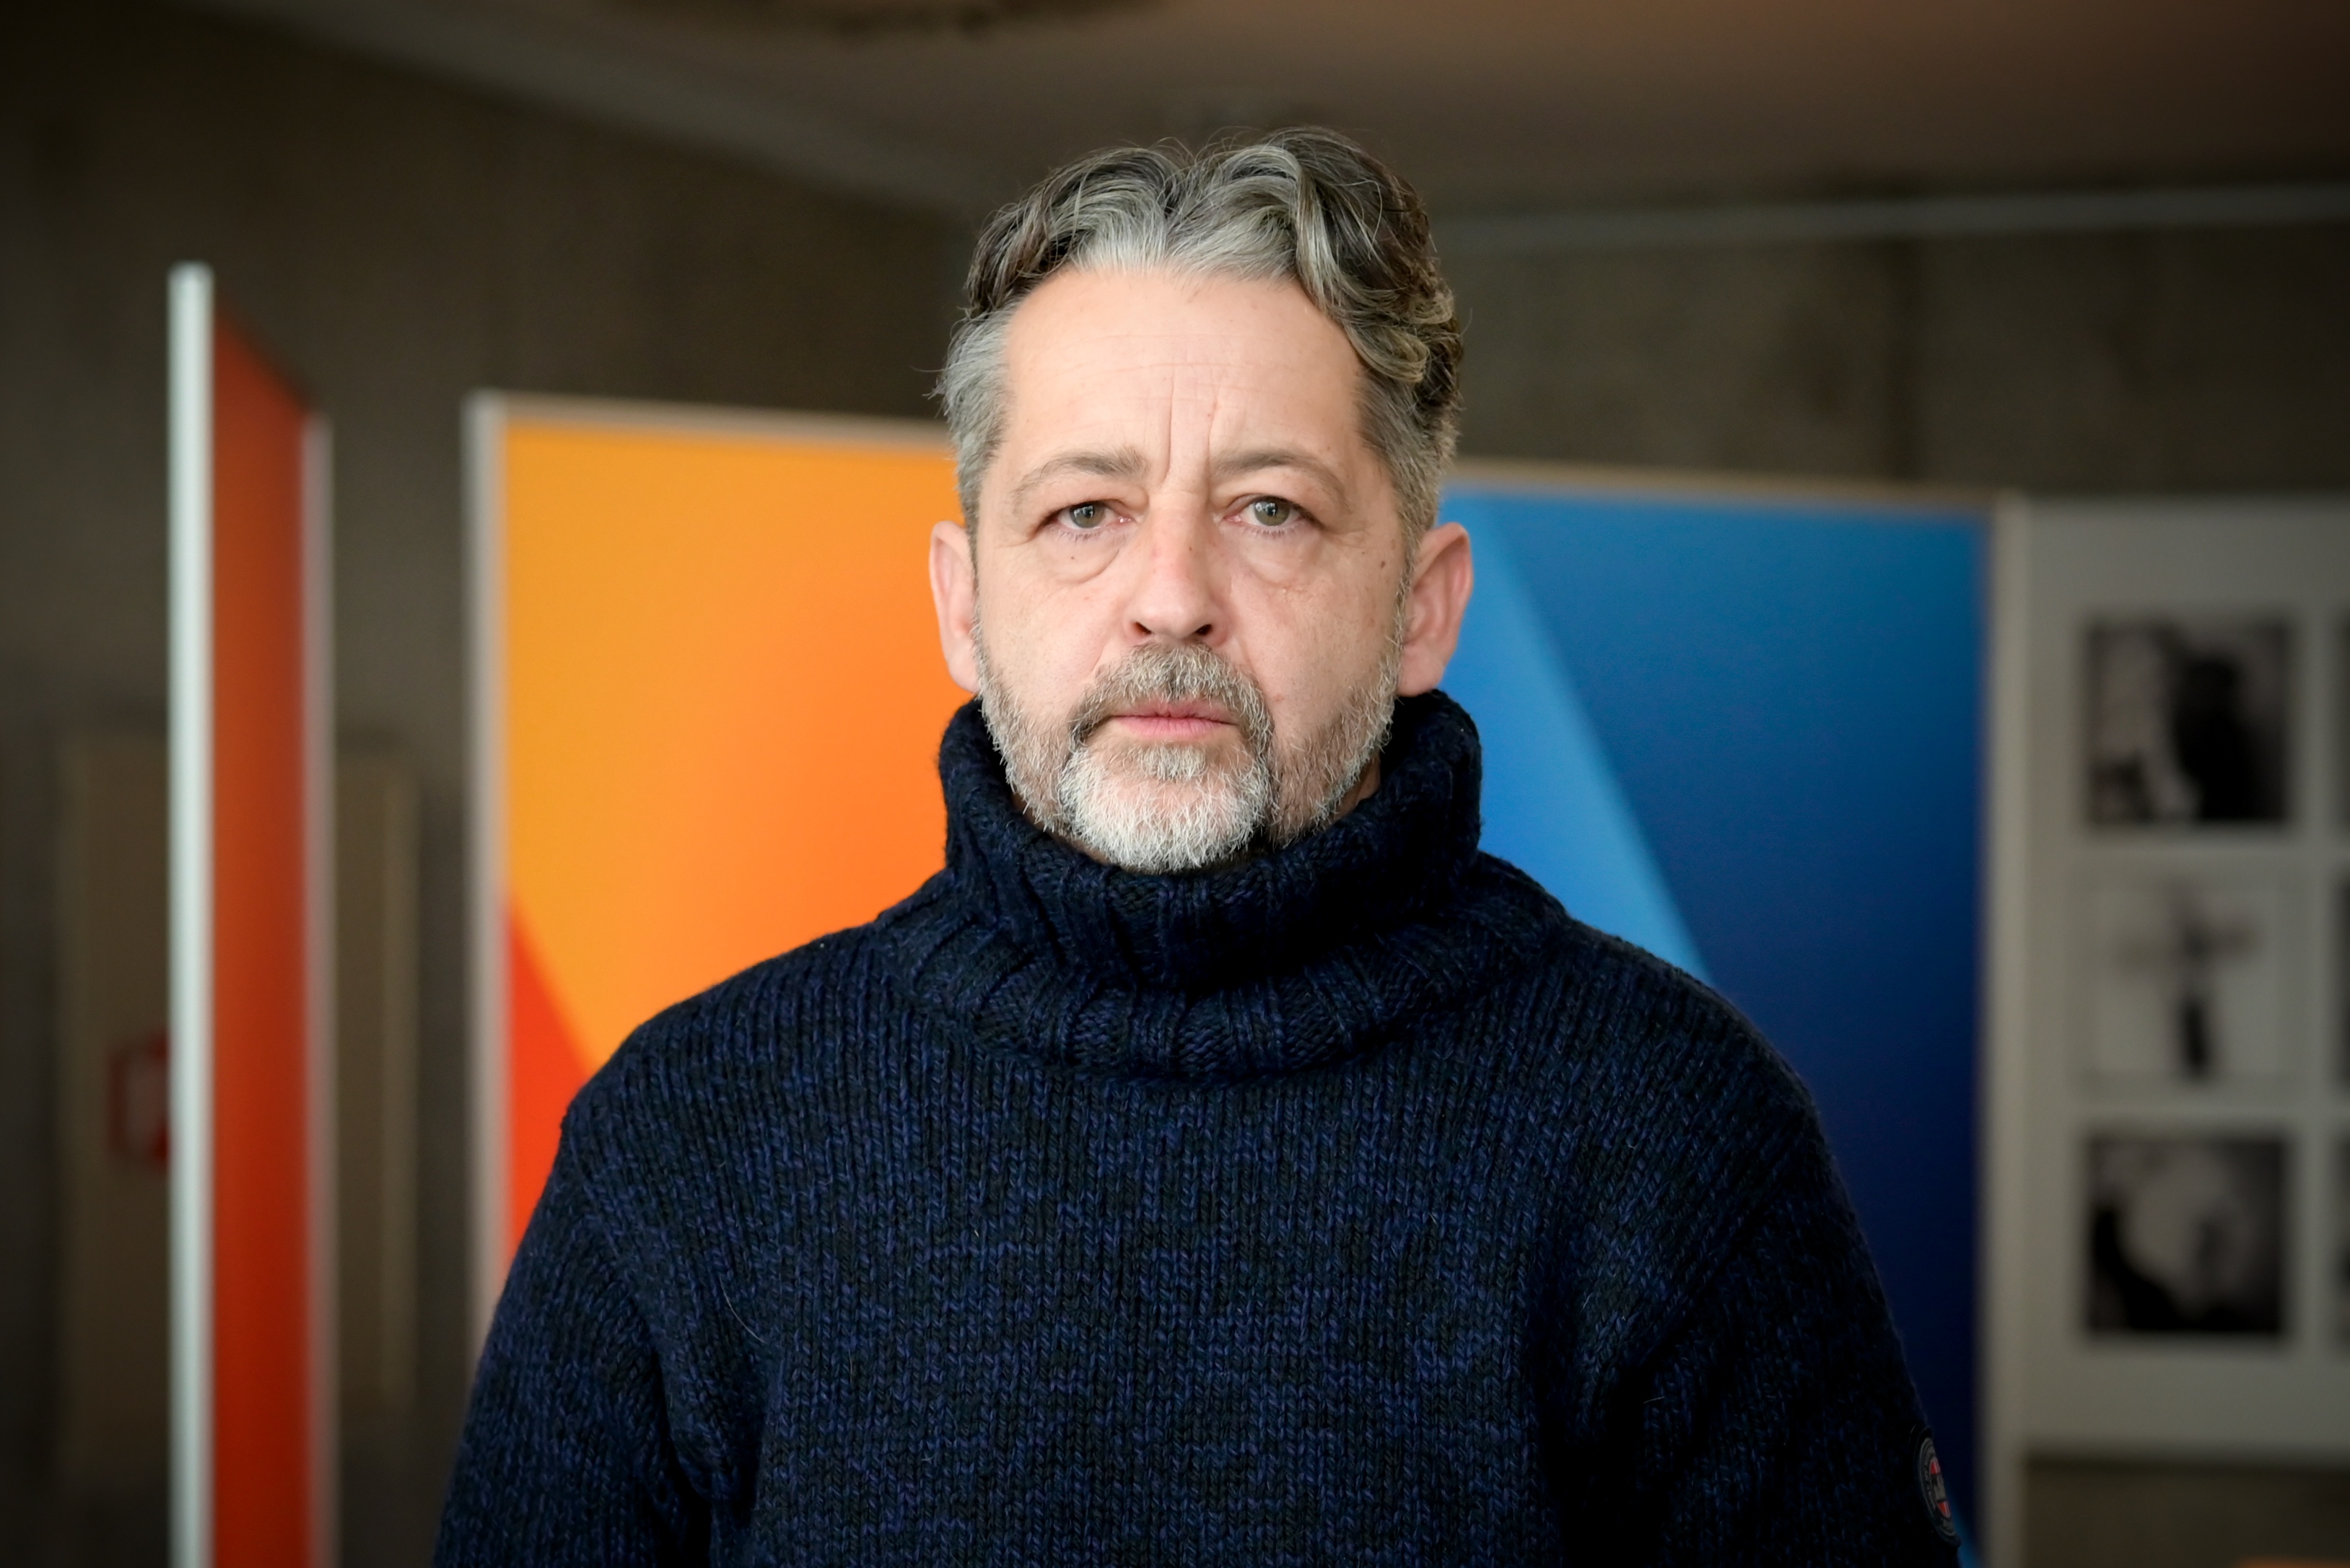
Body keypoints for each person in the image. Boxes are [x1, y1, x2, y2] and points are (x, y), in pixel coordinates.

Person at [437, 128, 1962, 1564]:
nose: (1171, 596)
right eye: (1085, 511)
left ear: (1421, 607)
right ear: (963, 604)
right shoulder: (688, 1138)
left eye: (1271, 510)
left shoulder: (1677, 1138)